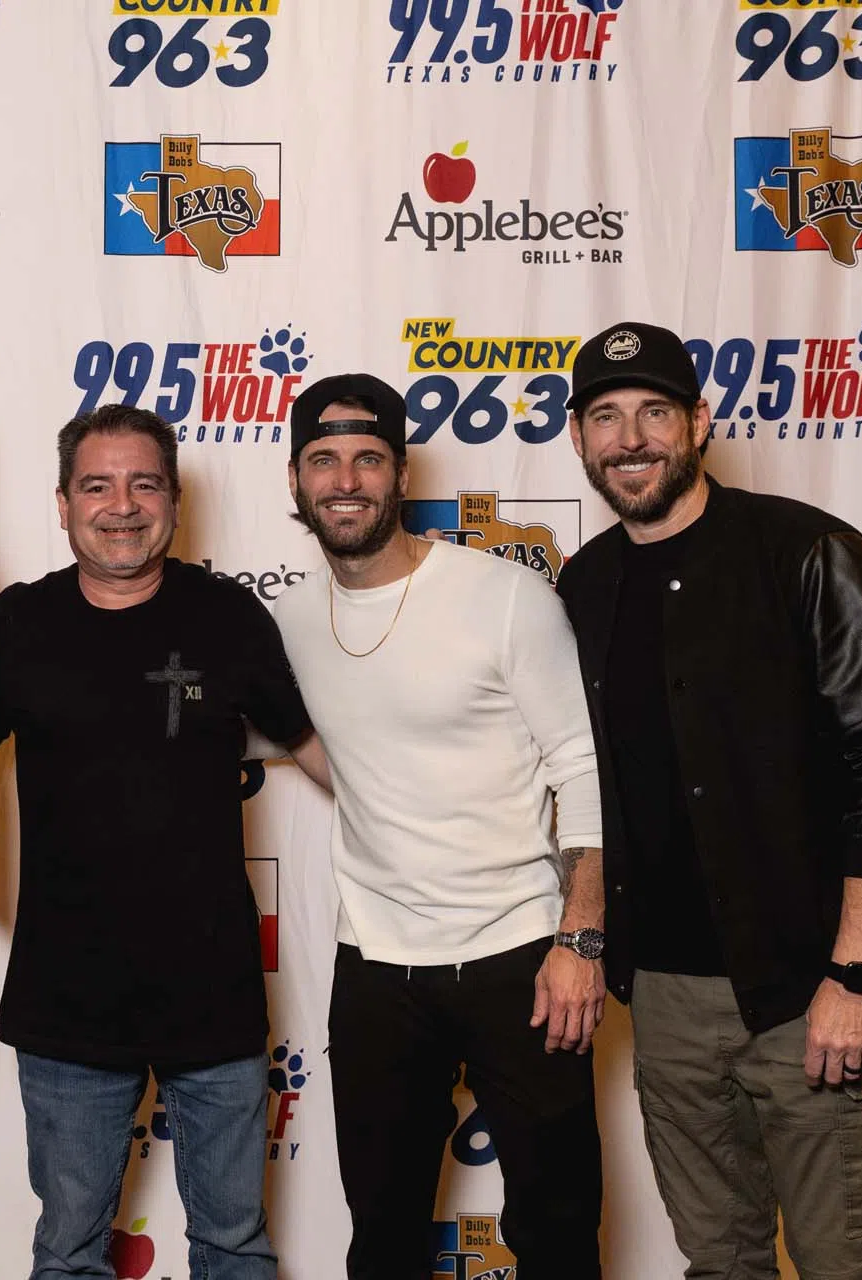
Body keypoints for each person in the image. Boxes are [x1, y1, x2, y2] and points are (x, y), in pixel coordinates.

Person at [554, 321, 862, 1280]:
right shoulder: (586, 584)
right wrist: (586, 935)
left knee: (843, 1262)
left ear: (698, 421)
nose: (630, 438)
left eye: (654, 412)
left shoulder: (807, 551)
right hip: (666, 999)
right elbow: (586, 783)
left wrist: (855, 974)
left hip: (806, 988)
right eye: (606, 417)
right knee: (719, 1263)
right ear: (578, 437)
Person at [271, 374, 606, 1280]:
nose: (346, 480)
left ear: (401, 473)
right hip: (376, 968)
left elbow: (582, 767)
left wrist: (580, 940)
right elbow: (308, 740)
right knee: (381, 1239)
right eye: (323, 460)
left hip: (521, 957)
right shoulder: (289, 618)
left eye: (368, 459)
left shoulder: (505, 596)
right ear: (295, 479)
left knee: (559, 1235)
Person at [0, 404, 324, 1280]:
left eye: (145, 484)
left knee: (235, 1245)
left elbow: (318, 750)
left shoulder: (229, 616)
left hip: (213, 993)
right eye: (97, 485)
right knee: (67, 1252)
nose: (122, 506)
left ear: (175, 499)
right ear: (63, 503)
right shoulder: (14, 627)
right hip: (66, 1000)